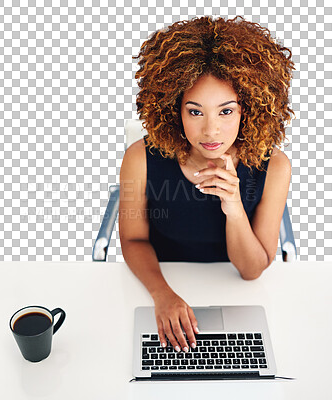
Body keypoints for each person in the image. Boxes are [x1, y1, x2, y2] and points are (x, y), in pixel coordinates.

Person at [118, 16, 295, 354]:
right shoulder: (139, 159)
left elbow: (252, 271)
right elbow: (133, 239)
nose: (211, 131)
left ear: (249, 109)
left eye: (226, 112)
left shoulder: (275, 167)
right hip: (163, 280)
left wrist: (234, 206)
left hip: (238, 294)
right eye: (195, 112)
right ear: (174, 110)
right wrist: (162, 295)